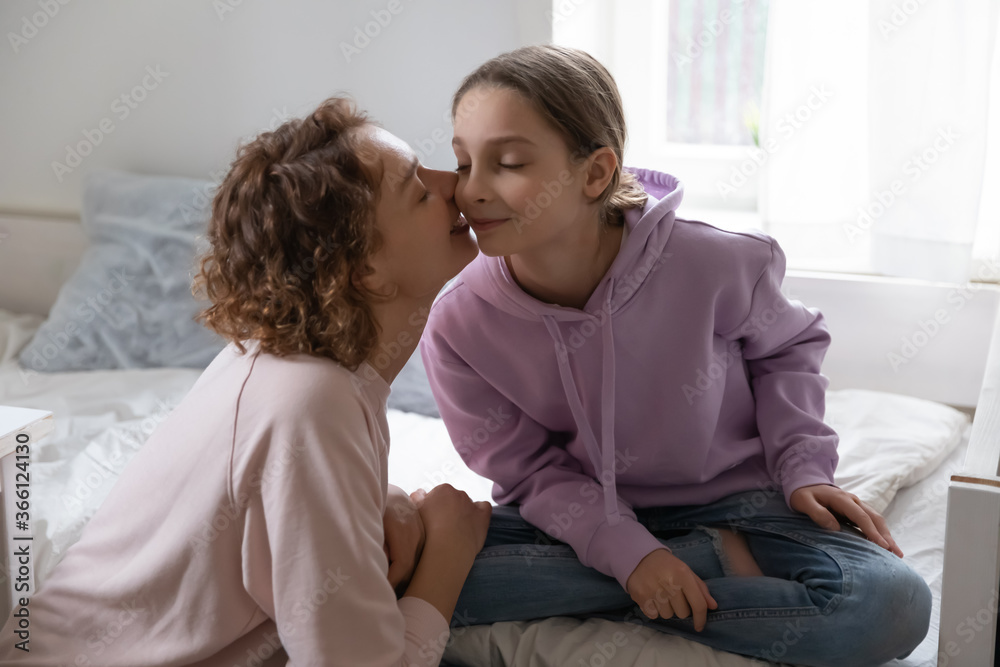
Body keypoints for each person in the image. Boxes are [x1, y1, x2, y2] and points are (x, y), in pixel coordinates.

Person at [420, 45, 932, 667]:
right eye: (463, 161)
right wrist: (630, 554)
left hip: (746, 508)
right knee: (407, 583)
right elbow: (528, 472)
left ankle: (687, 565)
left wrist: (805, 467)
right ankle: (709, 560)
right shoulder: (455, 324)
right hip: (584, 516)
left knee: (890, 606)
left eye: (507, 163)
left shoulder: (718, 262)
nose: (471, 191)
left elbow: (789, 349)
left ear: (594, 172)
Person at [0, 97, 491, 666]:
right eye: (418, 190)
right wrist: (450, 553)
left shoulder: (286, 363)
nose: (451, 182)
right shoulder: (312, 402)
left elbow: (268, 506)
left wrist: (387, 500)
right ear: (364, 269)